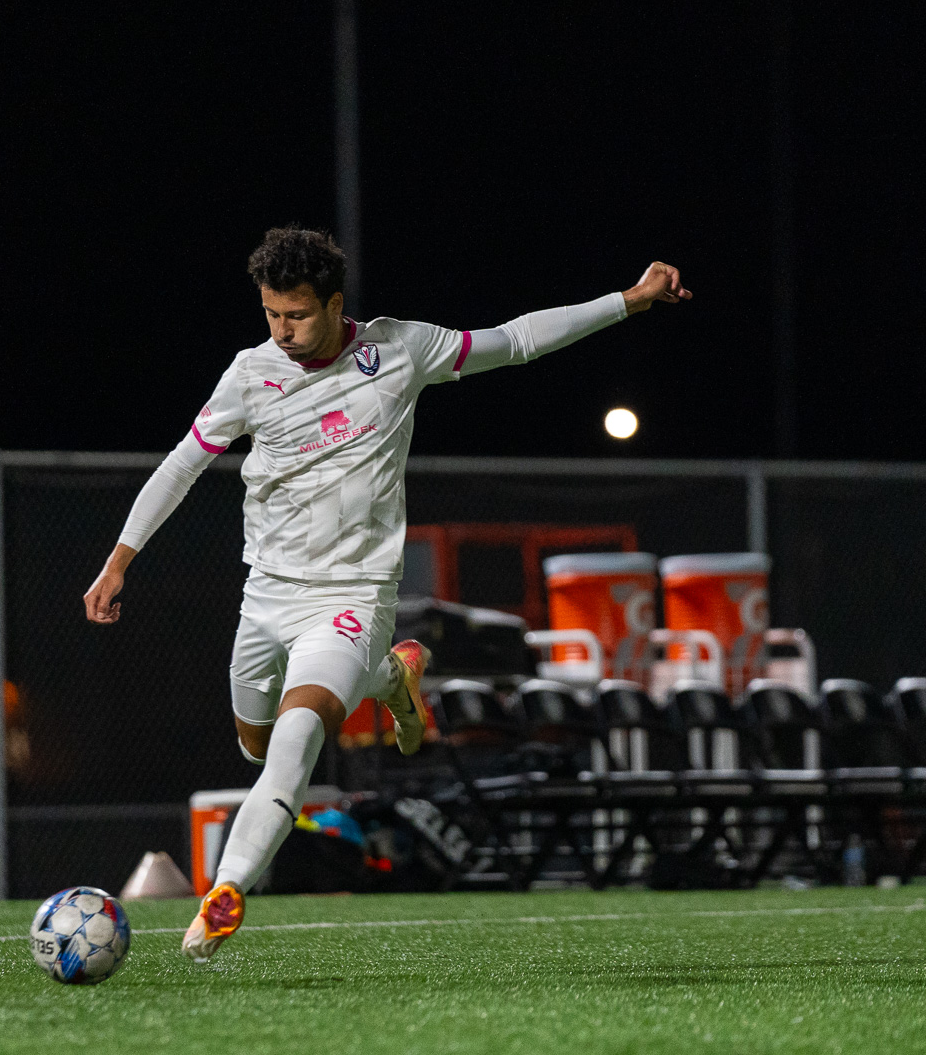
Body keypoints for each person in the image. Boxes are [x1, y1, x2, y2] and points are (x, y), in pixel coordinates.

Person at [83, 227, 688, 960]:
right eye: (271, 315)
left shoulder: (399, 350)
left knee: (297, 741)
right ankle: (392, 676)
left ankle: (227, 892)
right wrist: (119, 560)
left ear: (336, 305)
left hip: (352, 595)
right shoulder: (251, 372)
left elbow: (517, 339)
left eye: (297, 316)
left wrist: (627, 301)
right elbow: (182, 464)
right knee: (254, 744)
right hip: (267, 596)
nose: (282, 331)